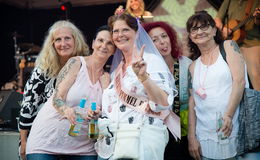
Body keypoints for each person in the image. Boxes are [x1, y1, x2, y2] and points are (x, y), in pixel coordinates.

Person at [95, 13, 180, 160]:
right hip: (115, 142)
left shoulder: (151, 61)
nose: (120, 35)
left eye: (125, 30)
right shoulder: (117, 69)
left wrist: (143, 77)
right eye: (116, 31)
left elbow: (163, 103)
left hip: (143, 140)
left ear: (137, 32)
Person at [24, 25, 115, 160]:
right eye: (100, 40)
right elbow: (57, 97)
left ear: (114, 50)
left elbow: (109, 113)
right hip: (47, 141)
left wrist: (98, 113)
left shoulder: (107, 78)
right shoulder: (76, 63)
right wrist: (66, 110)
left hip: (84, 148)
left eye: (109, 43)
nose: (104, 46)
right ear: (93, 43)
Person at [18, 20, 89, 160]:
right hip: (44, 138)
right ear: (52, 44)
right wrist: (24, 141)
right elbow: (28, 106)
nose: (63, 44)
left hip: (76, 141)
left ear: (76, 40)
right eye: (58, 39)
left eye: (67, 38)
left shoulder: (85, 66)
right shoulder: (44, 69)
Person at [186, 11, 246, 160]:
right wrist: (191, 137)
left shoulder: (228, 46)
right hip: (204, 137)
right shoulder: (193, 66)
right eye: (194, 29)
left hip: (231, 129)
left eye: (204, 27)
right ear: (190, 36)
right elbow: (192, 102)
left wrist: (228, 115)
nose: (199, 32)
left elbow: (239, 81)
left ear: (214, 30)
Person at [143, 21, 193, 160]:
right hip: (157, 133)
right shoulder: (146, 70)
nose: (162, 42)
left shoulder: (187, 65)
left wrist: (192, 135)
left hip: (185, 133)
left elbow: (194, 102)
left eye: (164, 36)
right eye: (155, 40)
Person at [215, 0, 260, 91]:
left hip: (251, 43)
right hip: (230, 43)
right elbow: (217, 19)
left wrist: (258, 17)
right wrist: (223, 28)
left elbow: (257, 22)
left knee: (255, 76)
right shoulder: (229, 1)